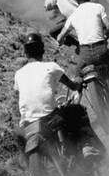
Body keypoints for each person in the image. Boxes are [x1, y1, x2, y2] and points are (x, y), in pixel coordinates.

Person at [14, 33, 103, 164]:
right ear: (42, 50)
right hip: (49, 118)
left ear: (26, 53)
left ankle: (30, 166)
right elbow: (72, 86)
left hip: (28, 124)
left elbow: (19, 96)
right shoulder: (50, 67)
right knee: (78, 111)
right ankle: (86, 147)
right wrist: (78, 81)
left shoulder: (18, 74)